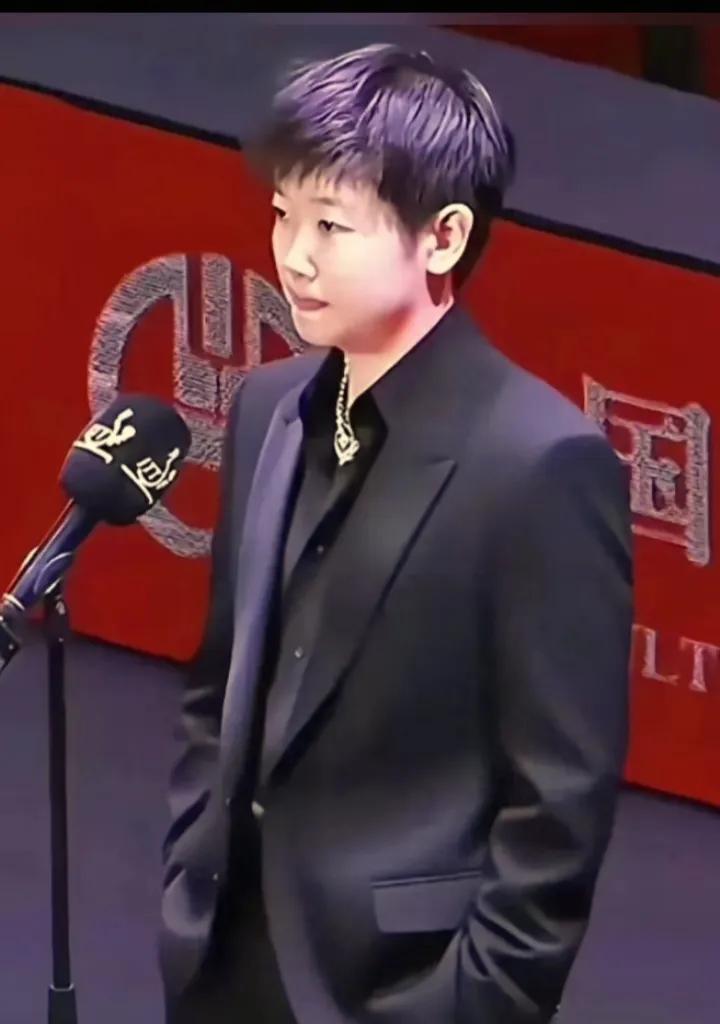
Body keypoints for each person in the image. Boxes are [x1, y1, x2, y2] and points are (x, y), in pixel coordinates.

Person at [158, 41, 634, 1024]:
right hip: (222, 963)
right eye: (283, 213)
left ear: (444, 237)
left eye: (332, 224)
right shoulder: (268, 407)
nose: (293, 254)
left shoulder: (541, 463)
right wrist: (189, 873)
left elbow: (557, 809)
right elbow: (220, 683)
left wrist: (466, 1002)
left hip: (399, 986)